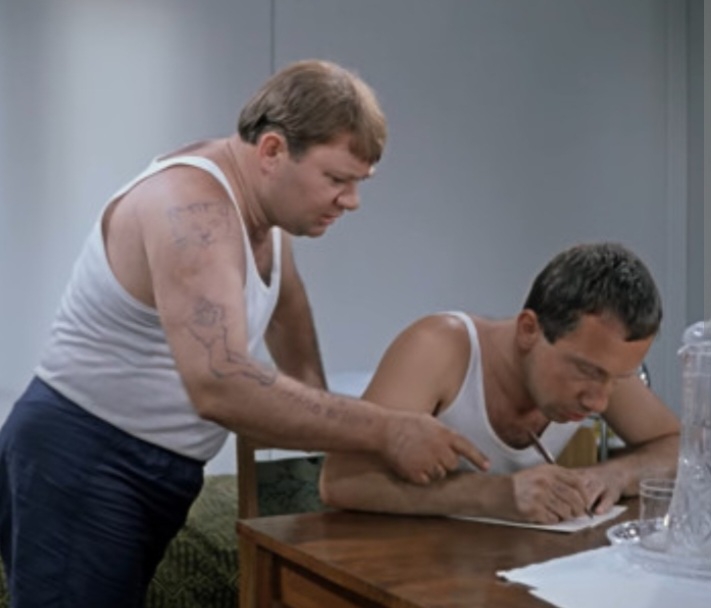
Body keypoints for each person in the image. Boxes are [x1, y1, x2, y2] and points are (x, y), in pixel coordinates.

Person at [0, 59, 484, 607]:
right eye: (336, 179)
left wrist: (337, 447)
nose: (351, 200)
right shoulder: (194, 212)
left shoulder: (267, 219)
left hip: (155, 466)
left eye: (359, 182)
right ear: (272, 150)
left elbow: (289, 322)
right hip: (83, 455)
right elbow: (221, 385)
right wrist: (386, 431)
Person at [320, 242, 681, 524]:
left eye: (618, 378)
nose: (599, 403)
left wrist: (615, 474)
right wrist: (497, 495)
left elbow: (680, 446)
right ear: (529, 330)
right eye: (586, 371)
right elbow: (340, 481)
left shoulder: (603, 361)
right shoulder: (438, 348)